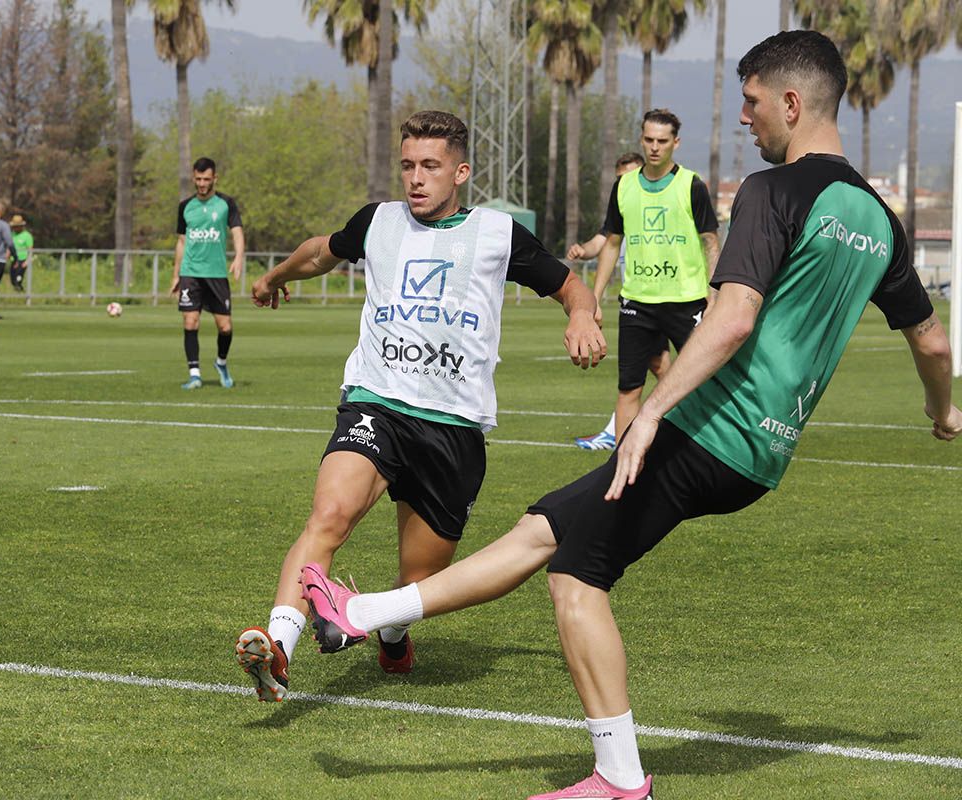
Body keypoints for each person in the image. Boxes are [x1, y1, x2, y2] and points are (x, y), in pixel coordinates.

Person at [298, 31, 961, 799]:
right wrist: (941, 410)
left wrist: (649, 414)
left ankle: (619, 778)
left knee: (577, 579)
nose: (744, 119)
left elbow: (735, 315)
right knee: (545, 530)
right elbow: (933, 338)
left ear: (790, 101)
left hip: (708, 428)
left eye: (751, 103)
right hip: (761, 452)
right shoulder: (879, 221)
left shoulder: (773, 192)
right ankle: (368, 613)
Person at [234, 110, 607, 702]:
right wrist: (275, 276)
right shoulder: (377, 222)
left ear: (459, 171)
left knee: (419, 579)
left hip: (453, 428)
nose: (415, 178)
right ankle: (278, 647)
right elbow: (320, 253)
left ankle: (391, 630)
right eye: (407, 165)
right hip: (375, 403)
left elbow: (569, 285)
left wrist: (583, 315)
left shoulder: (496, 233)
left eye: (430, 166)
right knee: (328, 517)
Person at [586, 109, 721, 449]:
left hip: (686, 301)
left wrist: (713, 293)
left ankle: (699, 456)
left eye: (662, 141)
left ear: (675, 143)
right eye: (648, 140)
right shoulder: (624, 186)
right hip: (637, 303)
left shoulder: (692, 185)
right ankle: (619, 465)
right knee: (629, 387)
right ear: (641, 139)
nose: (654, 147)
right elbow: (612, 242)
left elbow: (710, 242)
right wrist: (594, 297)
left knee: (701, 384)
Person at [564, 153, 670, 451]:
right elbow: (601, 242)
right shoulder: (622, 213)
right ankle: (630, 429)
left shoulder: (657, 208)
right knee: (659, 369)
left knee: (662, 372)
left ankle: (635, 430)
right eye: (621, 177)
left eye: (631, 175)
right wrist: (581, 251)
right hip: (637, 303)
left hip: (661, 300)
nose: (626, 182)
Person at [170, 157, 244, 389]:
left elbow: (237, 232)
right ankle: (194, 374)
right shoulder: (185, 207)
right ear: (193, 177)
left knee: (225, 327)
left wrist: (239, 257)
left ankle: (221, 363)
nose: (202, 183)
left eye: (206, 179)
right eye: (198, 179)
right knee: (190, 321)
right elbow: (182, 242)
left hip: (216, 273)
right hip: (190, 272)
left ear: (215, 179)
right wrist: (176, 274)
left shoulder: (226, 204)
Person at [9, 214, 33, 292]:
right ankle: (18, 294)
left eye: (17, 226)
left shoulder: (27, 236)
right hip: (13, 260)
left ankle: (22, 294)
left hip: (22, 260)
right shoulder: (11, 235)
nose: (15, 228)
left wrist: (27, 261)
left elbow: (30, 249)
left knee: (18, 280)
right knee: (13, 280)